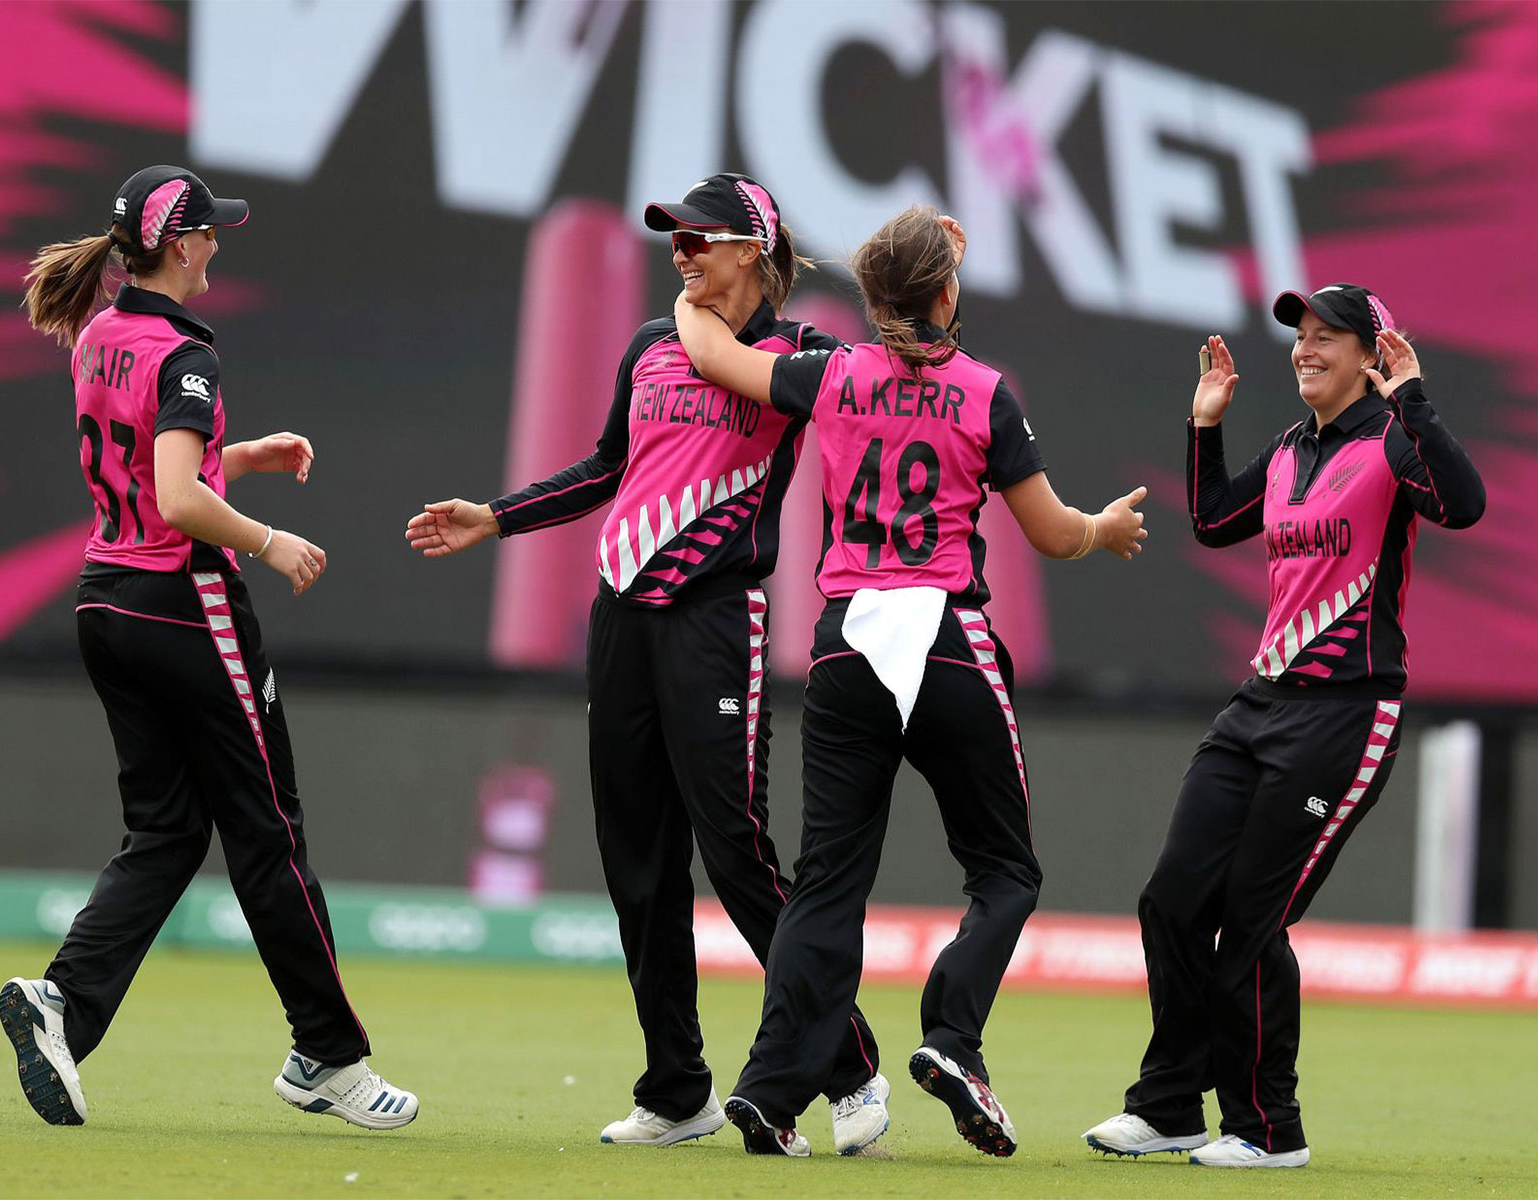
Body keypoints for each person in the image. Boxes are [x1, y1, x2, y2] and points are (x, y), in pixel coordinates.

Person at [405, 173, 888, 1155]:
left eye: (698, 240)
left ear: (752, 249)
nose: (679, 254)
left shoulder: (800, 354)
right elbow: (603, 468)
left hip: (717, 619)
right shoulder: (647, 346)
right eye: (671, 239)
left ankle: (847, 1068)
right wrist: (495, 518)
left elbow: (887, 398)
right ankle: (676, 1090)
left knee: (738, 855)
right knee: (637, 861)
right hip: (620, 619)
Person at [673, 206, 1148, 1157]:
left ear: (873, 293)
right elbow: (1054, 535)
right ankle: (952, 1041)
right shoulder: (985, 390)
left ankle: (770, 1092)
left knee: (827, 885)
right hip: (945, 644)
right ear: (944, 292)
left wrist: (691, 293)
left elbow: (717, 356)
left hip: (848, 644)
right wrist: (1106, 528)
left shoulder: (834, 372)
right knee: (1006, 871)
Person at [7, 165, 417, 1130]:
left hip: (107, 602)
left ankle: (63, 1004)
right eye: (211, 233)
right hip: (186, 603)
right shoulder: (187, 355)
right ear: (181, 242)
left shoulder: (102, 332)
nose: (219, 246)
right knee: (269, 834)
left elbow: (154, 464)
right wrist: (271, 540)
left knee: (166, 833)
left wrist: (247, 453)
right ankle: (331, 1057)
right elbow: (180, 499)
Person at [1082, 284, 1485, 1168]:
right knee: (1175, 900)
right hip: (1259, 704)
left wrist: (1411, 397)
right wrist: (1204, 424)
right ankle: (1171, 1108)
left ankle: (1269, 1131)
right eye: (1301, 337)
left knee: (1251, 922)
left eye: (1328, 338)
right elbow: (1216, 519)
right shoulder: (1293, 447)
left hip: (1347, 712)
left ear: (1370, 353)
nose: (1305, 349)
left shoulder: (1391, 440)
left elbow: (1464, 504)